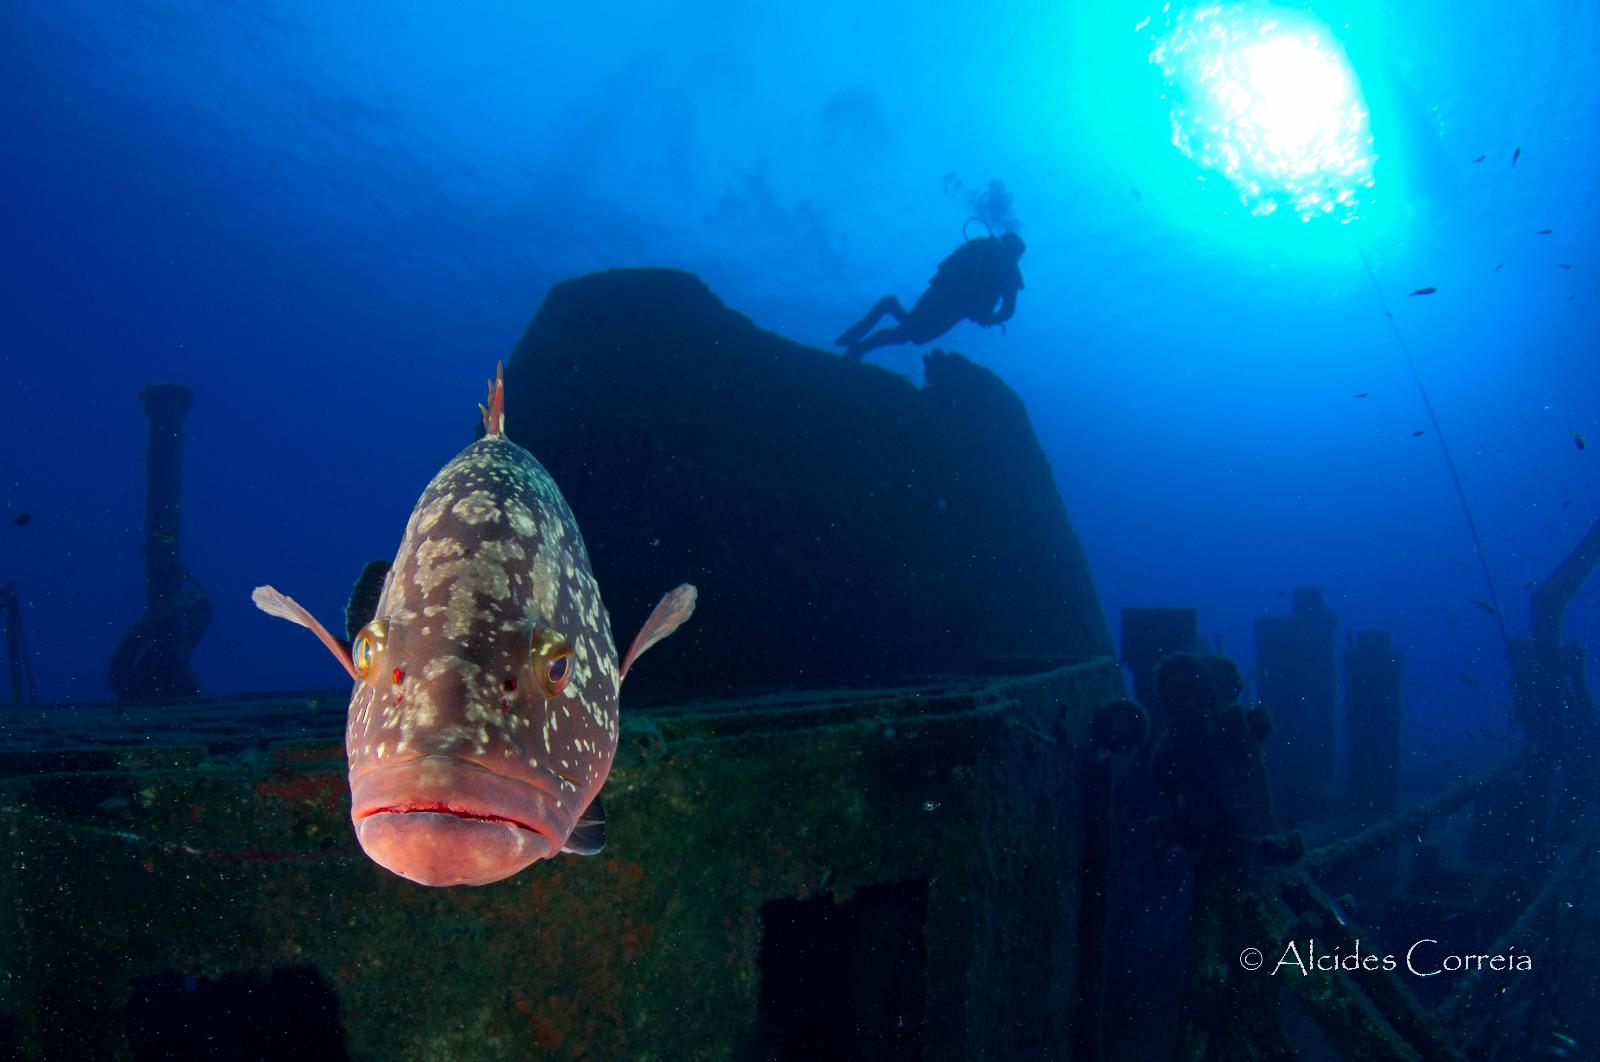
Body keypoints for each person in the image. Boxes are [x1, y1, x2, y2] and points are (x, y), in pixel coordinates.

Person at [835, 230, 1025, 362]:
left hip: (941, 294)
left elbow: (1007, 311)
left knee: (911, 334)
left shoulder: (983, 247)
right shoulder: (1011, 273)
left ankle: (885, 313)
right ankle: (859, 348)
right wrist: (990, 318)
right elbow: (1007, 311)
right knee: (911, 334)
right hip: (952, 305)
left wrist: (989, 316)